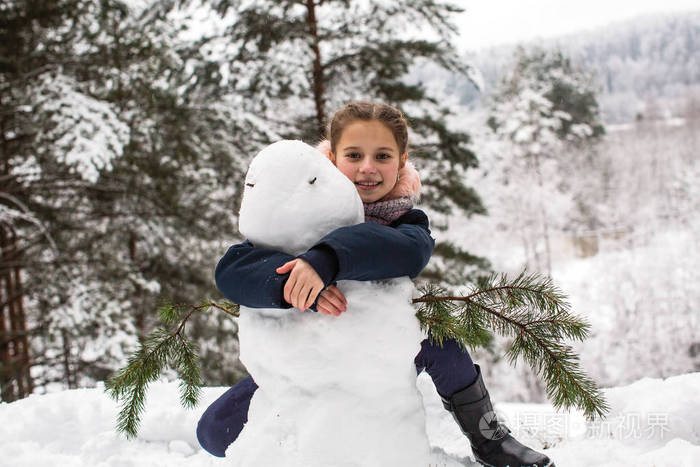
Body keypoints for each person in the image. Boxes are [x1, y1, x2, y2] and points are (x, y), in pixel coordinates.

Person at [196, 101, 554, 467]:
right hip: (307, 361)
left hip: (375, 353)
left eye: (382, 156)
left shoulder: (405, 221)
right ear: (332, 159)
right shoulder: (300, 215)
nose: (368, 168)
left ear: (401, 162)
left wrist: (325, 260)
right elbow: (233, 270)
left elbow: (405, 251)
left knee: (438, 339)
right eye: (354, 155)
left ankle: (489, 438)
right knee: (212, 432)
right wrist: (295, 283)